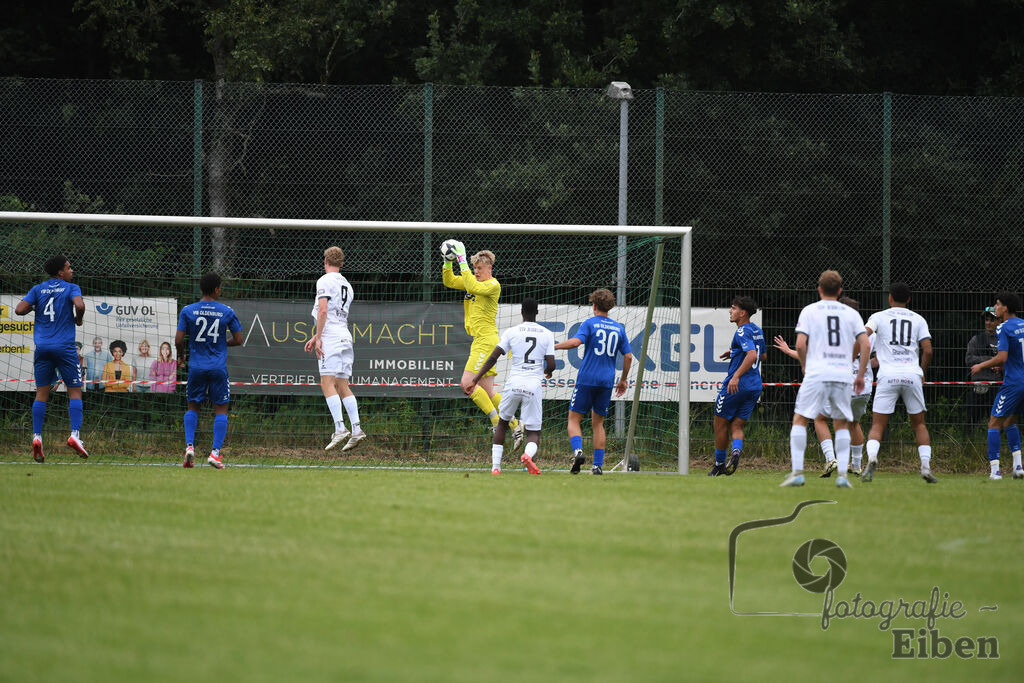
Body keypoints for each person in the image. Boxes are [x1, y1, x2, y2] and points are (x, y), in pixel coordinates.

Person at [780, 270, 868, 488]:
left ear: (819, 289)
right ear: (839, 291)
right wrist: (859, 373)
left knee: (801, 419)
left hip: (817, 371)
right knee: (842, 423)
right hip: (841, 373)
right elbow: (865, 344)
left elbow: (800, 345)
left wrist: (804, 365)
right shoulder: (851, 314)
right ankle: (842, 477)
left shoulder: (809, 311)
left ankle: (798, 473)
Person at [441, 240, 524, 450]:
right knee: (487, 392)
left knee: (467, 384)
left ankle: (497, 423)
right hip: (481, 341)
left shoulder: (492, 285)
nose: (476, 271)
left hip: (486, 341)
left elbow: (473, 285)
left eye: (480, 268)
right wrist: (447, 262)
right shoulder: (473, 282)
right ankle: (516, 424)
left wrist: (462, 259)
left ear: (489, 268)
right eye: (475, 268)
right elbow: (450, 281)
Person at [463, 297, 555, 475]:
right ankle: (527, 456)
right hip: (533, 386)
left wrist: (476, 379)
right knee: (533, 432)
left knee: (503, 424)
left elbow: (492, 357)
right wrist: (548, 371)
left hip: (513, 384)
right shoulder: (546, 333)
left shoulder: (512, 332)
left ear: (521, 312)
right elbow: (551, 364)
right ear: (537, 312)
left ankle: (496, 467)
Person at [860, 282, 937, 483]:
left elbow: (863, 335)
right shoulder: (919, 319)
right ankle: (926, 466)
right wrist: (922, 372)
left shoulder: (878, 317)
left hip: (887, 375)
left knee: (877, 425)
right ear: (909, 299)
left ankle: (873, 458)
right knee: (919, 424)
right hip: (912, 374)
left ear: (890, 298)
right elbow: (928, 350)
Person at [14, 254, 88, 461]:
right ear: (60, 272)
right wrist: (78, 320)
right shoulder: (71, 287)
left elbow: (19, 310)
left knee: (41, 394)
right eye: (69, 267)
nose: (72, 270)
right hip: (64, 347)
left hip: (43, 348)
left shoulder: (38, 289)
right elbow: (80, 306)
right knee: (74, 391)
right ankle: (75, 435)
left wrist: (33, 306)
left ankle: (37, 437)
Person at [553, 288, 634, 475]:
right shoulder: (619, 328)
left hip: (587, 378)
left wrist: (554, 346)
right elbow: (628, 356)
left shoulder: (589, 324)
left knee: (574, 419)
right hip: (606, 381)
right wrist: (622, 380)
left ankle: (578, 451)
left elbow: (575, 343)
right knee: (598, 424)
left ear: (594, 306)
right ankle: (597, 466)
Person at [175, 272, 243, 469]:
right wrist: (222, 343)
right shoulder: (226, 311)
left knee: (193, 407)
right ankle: (215, 453)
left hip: (196, 367)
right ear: (216, 289)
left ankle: (189, 447)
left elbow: (179, 340)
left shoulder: (188, 310)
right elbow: (239, 339)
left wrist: (181, 356)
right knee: (220, 409)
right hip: (218, 368)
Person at [303, 246, 367, 452]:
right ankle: (356, 429)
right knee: (342, 384)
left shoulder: (324, 280)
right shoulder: (347, 285)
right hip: (344, 336)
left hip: (331, 337)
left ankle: (340, 428)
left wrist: (319, 338)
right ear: (342, 263)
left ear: (325, 261)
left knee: (326, 382)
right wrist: (315, 336)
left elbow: (323, 310)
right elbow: (334, 315)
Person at [708, 296, 766, 477]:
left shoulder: (741, 332)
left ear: (743, 313)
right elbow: (762, 355)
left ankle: (719, 465)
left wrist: (736, 376)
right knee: (737, 426)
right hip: (755, 385)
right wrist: (735, 352)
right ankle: (735, 452)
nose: (730, 311)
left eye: (733, 308)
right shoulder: (756, 330)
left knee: (719, 423)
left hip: (737, 385)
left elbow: (752, 356)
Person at [970, 292, 1024, 480]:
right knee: (1010, 421)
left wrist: (981, 365)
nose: (995, 307)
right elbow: (1014, 356)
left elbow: (1002, 356)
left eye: (998, 304)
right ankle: (1018, 467)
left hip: (1014, 383)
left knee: (994, 422)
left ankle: (995, 471)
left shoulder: (1003, 328)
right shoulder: (1023, 324)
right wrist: (1003, 365)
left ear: (1006, 308)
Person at [965, 306, 1002, 429]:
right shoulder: (976, 339)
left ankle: (1002, 447)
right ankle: (967, 446)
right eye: (986, 320)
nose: (988, 323)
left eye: (992, 320)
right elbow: (969, 359)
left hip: (998, 385)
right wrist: (992, 361)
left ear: (999, 321)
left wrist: (1000, 365)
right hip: (978, 385)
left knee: (999, 421)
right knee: (971, 421)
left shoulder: (1004, 339)